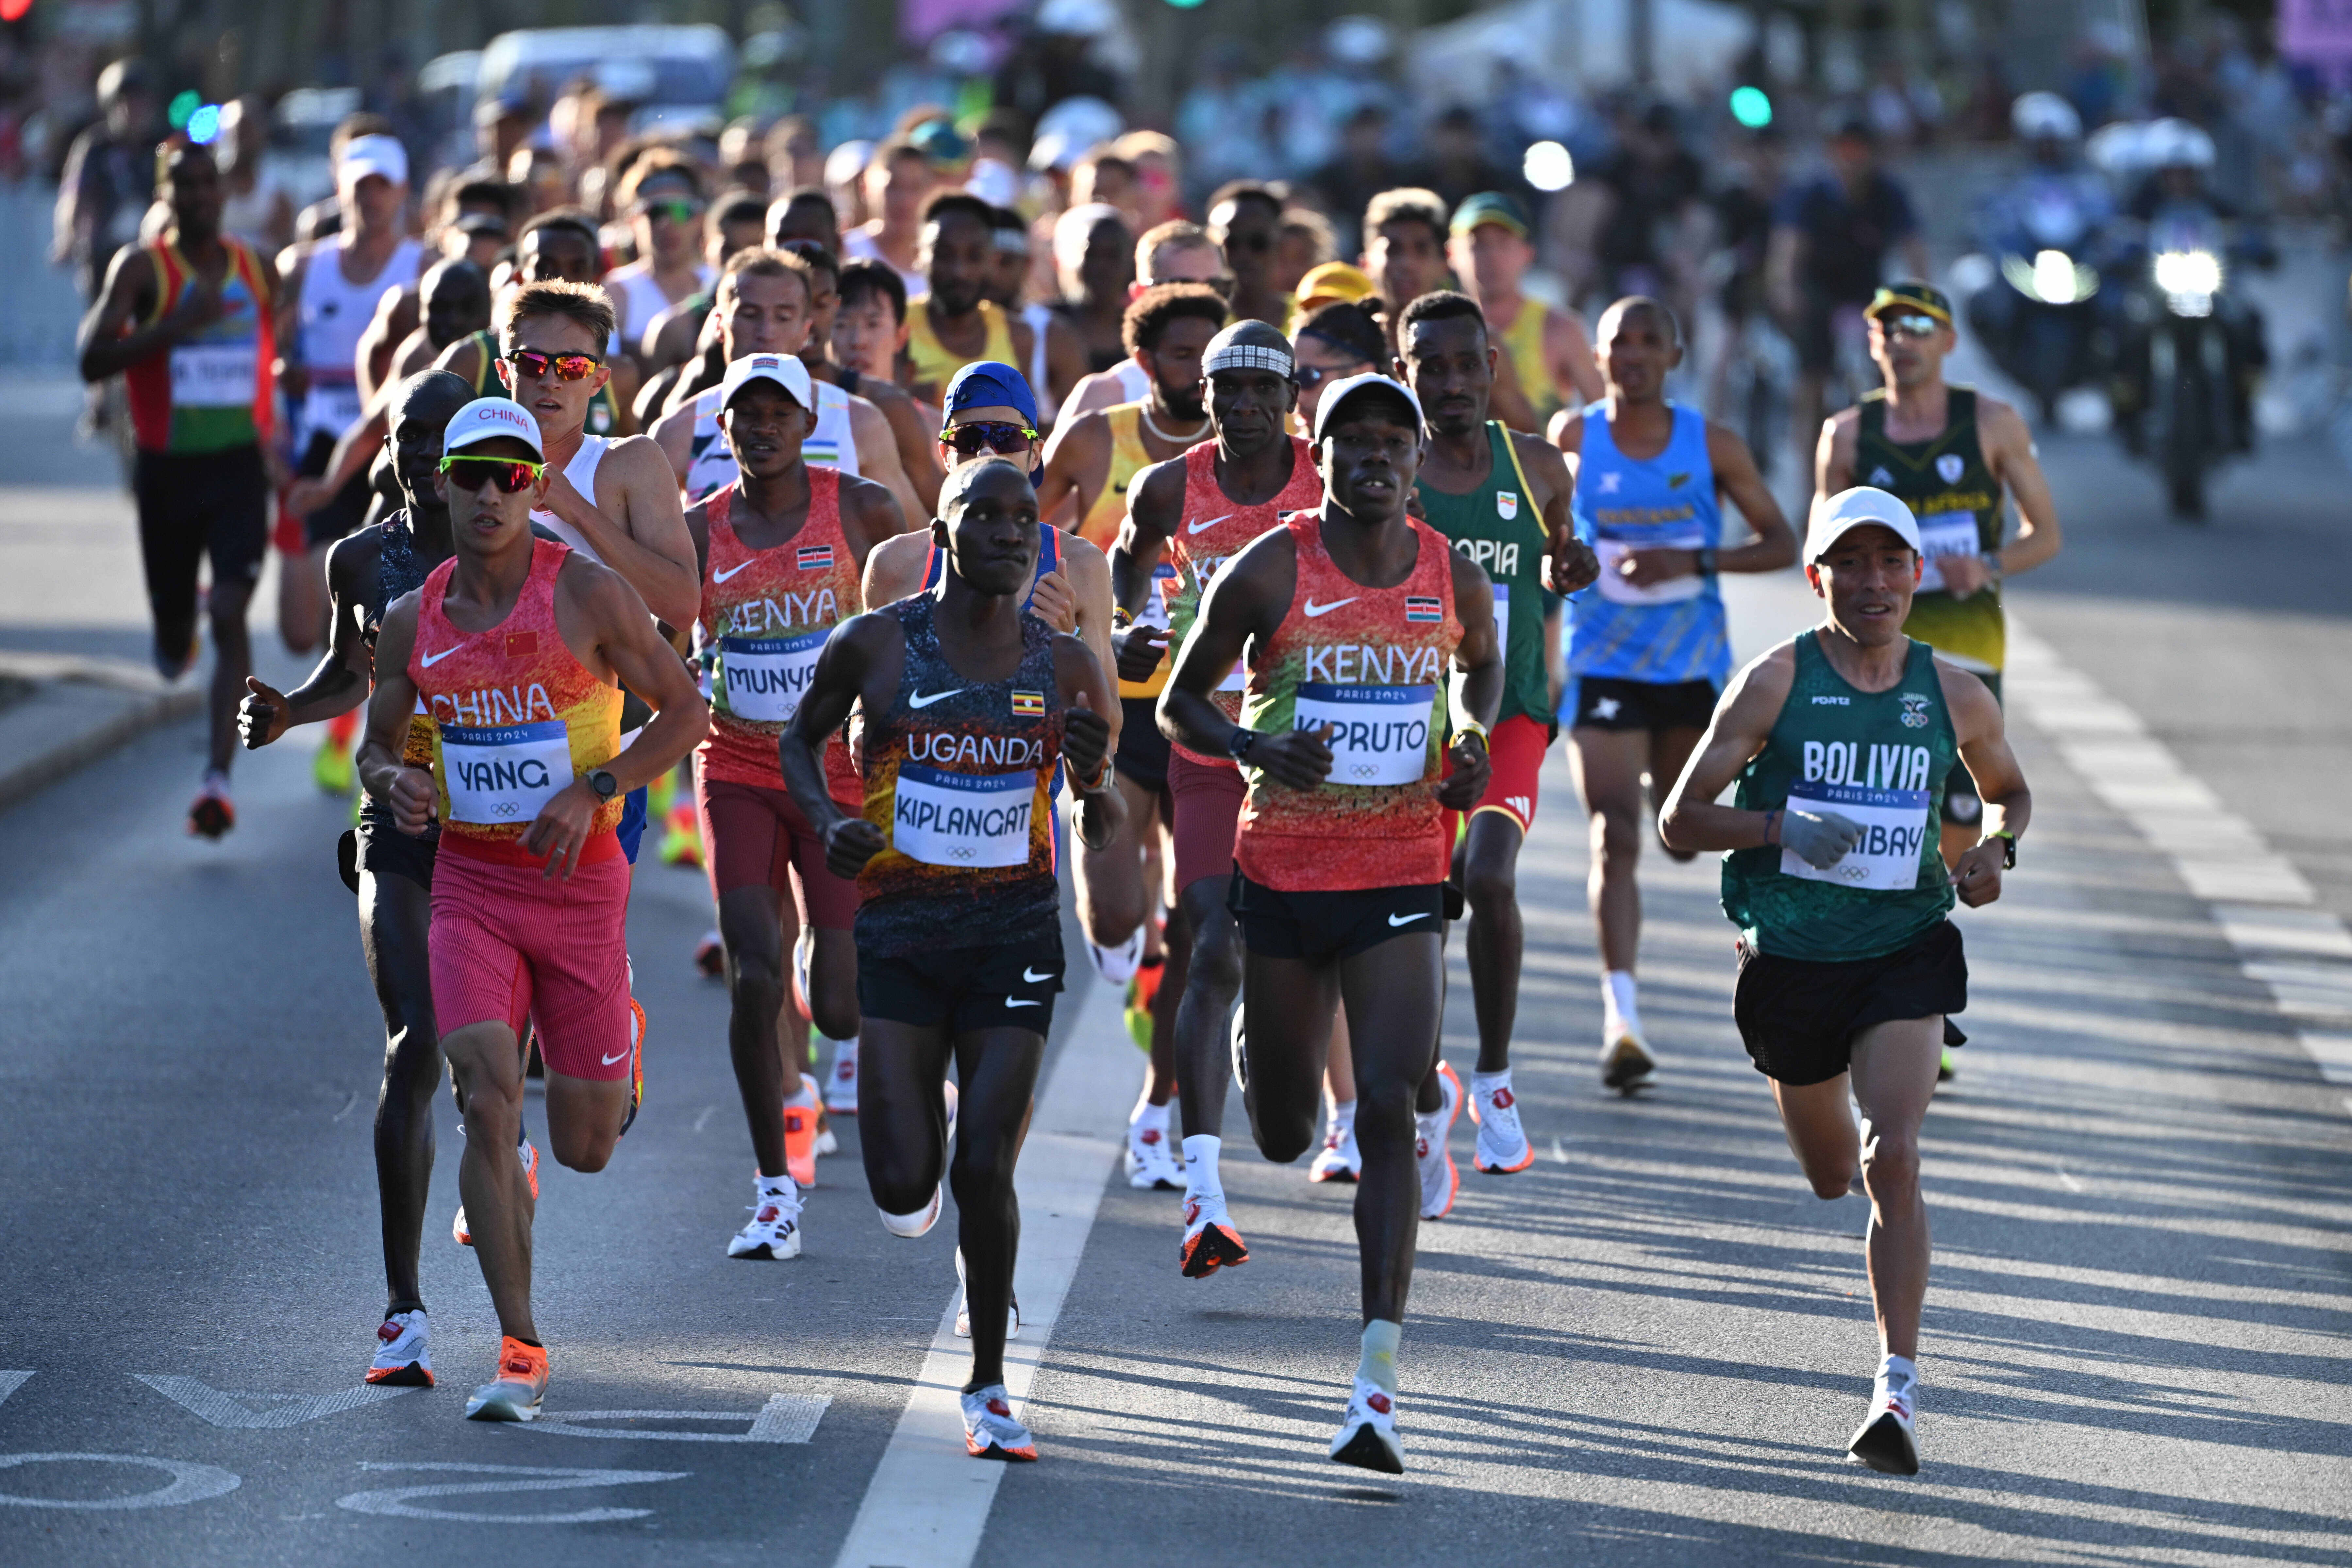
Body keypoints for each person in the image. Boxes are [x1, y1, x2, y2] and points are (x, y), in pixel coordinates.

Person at [1157, 372, 1500, 1472]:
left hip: (1401, 867)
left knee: (1389, 1107)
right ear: (1324, 450)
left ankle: (1376, 1376)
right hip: (1284, 872)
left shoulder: (1447, 570)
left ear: (1411, 457)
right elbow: (1179, 698)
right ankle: (1270, 1050)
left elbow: (1479, 667)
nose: (1370, 457)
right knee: (1284, 1127)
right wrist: (1254, 748)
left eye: (1388, 442)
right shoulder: (1274, 564)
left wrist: (1467, 734)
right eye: (1349, 440)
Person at [1658, 485, 2031, 1477]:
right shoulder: (1771, 685)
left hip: (1904, 944)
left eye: (1889, 563)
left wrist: (1994, 854)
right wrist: (1778, 828)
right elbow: (1678, 821)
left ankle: (1894, 1390)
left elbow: (2009, 794)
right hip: (1789, 961)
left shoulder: (1952, 693)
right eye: (1849, 565)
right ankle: (1821, 1129)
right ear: (1815, 576)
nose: (1871, 583)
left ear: (1915, 574)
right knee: (1832, 1176)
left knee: (1892, 1154)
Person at [356, 395, 709, 1420]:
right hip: (472, 882)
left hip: (578, 882)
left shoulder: (588, 596)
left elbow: (686, 711)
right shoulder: (412, 619)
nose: (492, 493)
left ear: (536, 487)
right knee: (484, 1094)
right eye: (472, 472)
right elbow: (380, 743)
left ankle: (618, 1033)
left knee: (587, 1146)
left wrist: (597, 789)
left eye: (515, 475)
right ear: (441, 482)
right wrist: (392, 783)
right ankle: (519, 1347)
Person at [780, 458, 1123, 1462]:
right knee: (901, 1185)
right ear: (946, 526)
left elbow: (1091, 806)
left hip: (1012, 935)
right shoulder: (876, 645)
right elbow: (801, 743)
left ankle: (987, 1384)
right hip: (897, 935)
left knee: (985, 1160)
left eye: (1026, 520)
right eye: (988, 516)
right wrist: (823, 820)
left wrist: (1096, 785)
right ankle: (916, 1180)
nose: (1012, 534)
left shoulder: (1062, 664)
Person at [236, 370, 484, 1382]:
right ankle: (403, 1309)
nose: (423, 453)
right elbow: (355, 668)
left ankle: (520, 1079)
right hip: (399, 817)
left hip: (500, 830)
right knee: (414, 1040)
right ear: (388, 450)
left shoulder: (521, 554)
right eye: (406, 435)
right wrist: (294, 711)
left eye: (442, 436)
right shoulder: (359, 559)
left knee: (481, 1050)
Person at [1551, 296, 1797, 1090]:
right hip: (1602, 664)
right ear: (1598, 355)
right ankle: (1620, 1018)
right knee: (1613, 833)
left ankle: (1674, 825)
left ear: (1676, 356)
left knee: (1680, 836)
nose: (1634, 355)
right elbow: (1547, 533)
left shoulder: (1712, 444)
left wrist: (1690, 562)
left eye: (1650, 341)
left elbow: (1781, 542)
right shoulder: (1573, 436)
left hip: (1690, 671)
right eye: (1620, 341)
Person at [1815, 282, 2060, 1077]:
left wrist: (1982, 563)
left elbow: (2045, 534)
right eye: (1887, 326)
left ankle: (1919, 985)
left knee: (1955, 815)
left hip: (1965, 651)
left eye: (1920, 326)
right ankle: (1909, 993)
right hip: (1872, 657)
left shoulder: (1989, 422)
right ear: (1872, 341)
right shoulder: (1847, 433)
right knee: (1887, 810)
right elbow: (1817, 552)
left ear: (1948, 340)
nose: (1902, 339)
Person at [688, 352, 906, 1243]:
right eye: (748, 413)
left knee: (842, 1003)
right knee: (751, 972)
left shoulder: (860, 509)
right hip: (736, 767)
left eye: (782, 413)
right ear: (724, 426)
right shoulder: (696, 530)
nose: (764, 427)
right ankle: (772, 1182)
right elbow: (664, 641)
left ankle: (827, 1054)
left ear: (810, 423)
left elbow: (905, 628)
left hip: (837, 774)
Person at [1112, 321, 1324, 1198]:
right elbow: (1129, 565)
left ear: (1289, 398)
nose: (1242, 406)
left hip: (1308, 746)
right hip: (1204, 733)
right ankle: (1168, 1119)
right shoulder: (1170, 487)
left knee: (1303, 938)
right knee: (1201, 928)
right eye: (1225, 389)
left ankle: (1319, 1089)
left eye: (1259, 391)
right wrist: (1131, 624)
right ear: (1204, 395)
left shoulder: (1327, 477)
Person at [1395, 291, 1600, 1164]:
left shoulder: (1538, 467)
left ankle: (1494, 1074)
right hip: (1406, 721)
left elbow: (1563, 554)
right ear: (1406, 375)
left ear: (1492, 368)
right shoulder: (1390, 475)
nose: (1449, 382)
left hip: (1510, 708)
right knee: (1417, 907)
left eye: (1463, 364)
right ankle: (1421, 1087)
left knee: (1486, 871)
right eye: (1428, 366)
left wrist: (1573, 562)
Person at [76, 139, 279, 838]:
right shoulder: (142, 269)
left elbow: (269, 346)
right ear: (165, 194)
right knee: (171, 651)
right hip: (166, 473)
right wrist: (171, 329)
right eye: (182, 186)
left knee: (231, 610)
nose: (196, 197)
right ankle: (177, 625)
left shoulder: (255, 267)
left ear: (222, 191)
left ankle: (216, 779)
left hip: (238, 471)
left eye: (206, 184)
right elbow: (91, 357)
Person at [277, 133, 427, 651]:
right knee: (314, 624)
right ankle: (346, 721)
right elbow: (269, 353)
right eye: (361, 185)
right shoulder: (300, 267)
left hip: (395, 448)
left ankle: (363, 730)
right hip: (322, 442)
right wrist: (284, 370)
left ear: (402, 189)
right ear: (341, 188)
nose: (371, 197)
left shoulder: (424, 266)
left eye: (382, 185)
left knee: (386, 607)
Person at [650, 247, 921, 522]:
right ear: (718, 324)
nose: (766, 333)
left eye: (783, 317)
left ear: (806, 330)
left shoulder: (858, 423)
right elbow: (645, 547)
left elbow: (913, 544)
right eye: (750, 314)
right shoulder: (680, 430)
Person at [1766, 115, 1930, 476]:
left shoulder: (1888, 193)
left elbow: (1914, 248)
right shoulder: (1810, 194)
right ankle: (1810, 473)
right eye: (1844, 150)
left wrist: (1923, 297)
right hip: (1818, 294)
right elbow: (1788, 250)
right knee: (1813, 379)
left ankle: (1893, 459)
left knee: (1894, 370)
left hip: (1868, 293)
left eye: (1860, 150)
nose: (1852, 159)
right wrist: (1786, 288)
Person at [1035, 283, 1226, 549]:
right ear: (1145, 361)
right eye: (1183, 355)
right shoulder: (1091, 437)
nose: (1200, 371)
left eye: (1210, 356)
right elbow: (1019, 527)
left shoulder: (1248, 437)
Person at [1447, 192, 1603, 430]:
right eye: (1477, 244)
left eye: (1503, 243)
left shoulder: (1561, 330)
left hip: (1539, 466)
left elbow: (1607, 419)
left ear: (1528, 254)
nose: (1492, 257)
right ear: (1451, 255)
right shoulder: (1438, 330)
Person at [903, 192, 1075, 409]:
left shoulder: (1018, 336)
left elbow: (1026, 427)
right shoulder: (895, 328)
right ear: (918, 254)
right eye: (944, 254)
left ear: (993, 261)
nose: (960, 272)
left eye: (974, 256)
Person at [1054, 220, 1232, 425]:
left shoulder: (1252, 394)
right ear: (1139, 295)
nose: (1201, 302)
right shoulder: (1101, 401)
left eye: (1216, 287)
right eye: (1182, 288)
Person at [602, 153, 713, 358]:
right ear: (632, 220)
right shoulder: (615, 294)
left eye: (681, 211)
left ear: (699, 218)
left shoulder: (719, 283)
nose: (667, 224)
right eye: (656, 212)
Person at [1360, 189, 1452, 356]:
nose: (1407, 264)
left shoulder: (1471, 346)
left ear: (1445, 263)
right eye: (1393, 250)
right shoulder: (1346, 346)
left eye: (1422, 250)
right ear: (1365, 263)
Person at [1048, 203, 1133, 375]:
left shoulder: (1145, 331)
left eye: (1113, 256)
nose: (1102, 267)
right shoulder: (1043, 326)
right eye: (1091, 254)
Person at [841, 137, 932, 298]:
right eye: (893, 187)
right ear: (866, 188)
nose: (905, 201)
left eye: (915, 188)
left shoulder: (942, 263)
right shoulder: (846, 252)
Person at [1206, 182, 1291, 332]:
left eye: (1258, 242)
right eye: (1230, 243)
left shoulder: (1311, 319)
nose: (1244, 255)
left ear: (1281, 244)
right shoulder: (1200, 323)